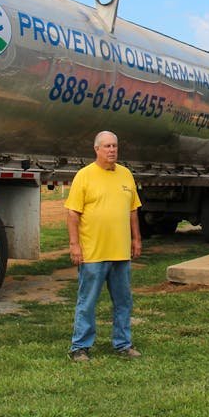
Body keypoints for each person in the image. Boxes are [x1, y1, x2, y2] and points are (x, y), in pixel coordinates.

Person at [66, 130, 142, 362]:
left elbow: (132, 210)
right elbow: (72, 213)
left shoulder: (126, 175)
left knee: (123, 302)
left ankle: (123, 344)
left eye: (114, 146)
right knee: (87, 302)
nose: (112, 150)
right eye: (107, 146)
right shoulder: (84, 176)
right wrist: (74, 245)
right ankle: (80, 347)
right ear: (97, 149)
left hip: (120, 252)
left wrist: (136, 238)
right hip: (93, 253)